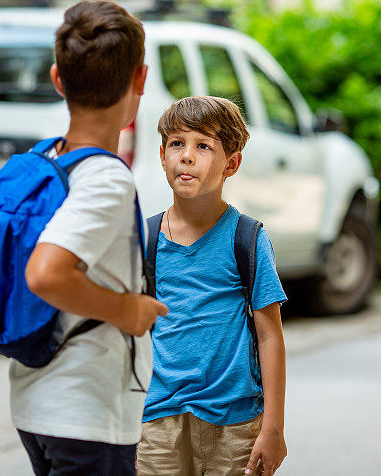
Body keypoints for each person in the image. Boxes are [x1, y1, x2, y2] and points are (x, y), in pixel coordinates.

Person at [17, 0, 168, 475]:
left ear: (57, 79)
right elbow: (46, 273)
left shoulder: (50, 160)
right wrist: (129, 310)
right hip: (85, 413)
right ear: (139, 80)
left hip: (38, 399)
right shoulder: (106, 179)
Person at [137, 96, 288, 476]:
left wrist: (273, 427)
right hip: (157, 420)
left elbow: (270, 336)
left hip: (235, 423)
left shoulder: (247, 239)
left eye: (203, 146)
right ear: (161, 155)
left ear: (231, 163)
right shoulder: (145, 238)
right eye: (177, 144)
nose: (186, 156)